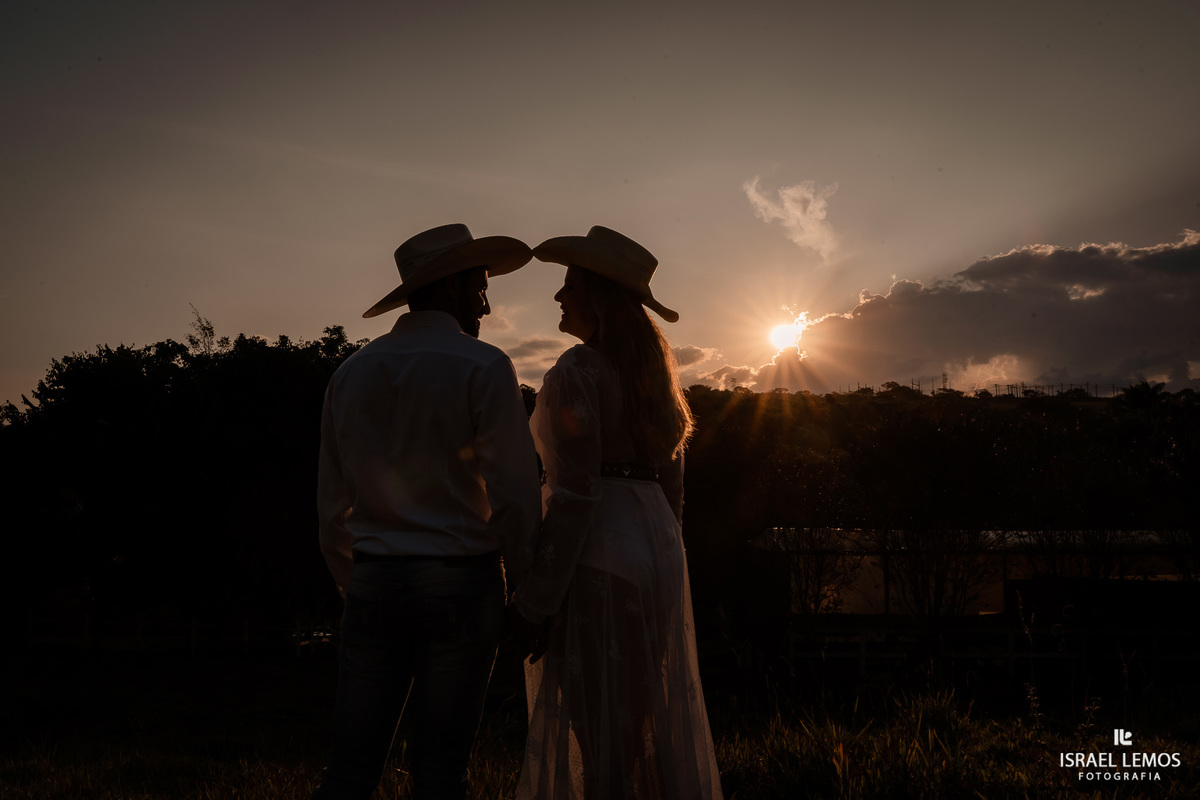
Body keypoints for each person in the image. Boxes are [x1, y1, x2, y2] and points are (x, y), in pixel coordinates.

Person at [313, 223, 542, 800]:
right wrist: (528, 592)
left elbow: (331, 503)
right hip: (461, 582)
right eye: (481, 287)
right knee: (441, 773)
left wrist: (357, 582)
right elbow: (515, 493)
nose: (486, 304)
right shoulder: (484, 366)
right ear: (453, 287)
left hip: (374, 578)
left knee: (348, 772)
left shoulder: (351, 373)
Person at [510, 226, 723, 799]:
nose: (559, 296)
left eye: (570, 285)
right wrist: (666, 558)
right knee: (630, 731)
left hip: (602, 550)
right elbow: (673, 491)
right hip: (657, 549)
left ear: (598, 297)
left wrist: (535, 599)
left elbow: (576, 494)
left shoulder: (578, 370)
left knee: (600, 732)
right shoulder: (655, 379)